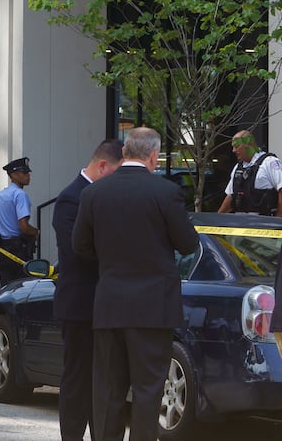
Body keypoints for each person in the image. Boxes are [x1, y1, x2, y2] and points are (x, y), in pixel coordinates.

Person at [72, 127, 199, 441]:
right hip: (153, 308)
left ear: (125, 151)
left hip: (110, 303)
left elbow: (80, 246)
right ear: (154, 155)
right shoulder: (165, 192)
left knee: (107, 390)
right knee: (147, 389)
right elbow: (188, 244)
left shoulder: (93, 193)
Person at [52, 139, 123, 441]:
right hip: (81, 304)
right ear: (102, 166)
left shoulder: (108, 197)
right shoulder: (71, 199)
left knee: (104, 382)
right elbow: (77, 251)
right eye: (117, 173)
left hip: (106, 304)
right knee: (79, 380)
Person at [0, 157, 39, 286]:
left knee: (5, 288)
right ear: (14, 175)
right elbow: (24, 227)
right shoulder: (20, 195)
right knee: (21, 289)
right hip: (19, 249)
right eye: (24, 172)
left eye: (28, 172)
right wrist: (36, 232)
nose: (28, 175)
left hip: (3, 249)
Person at [217, 129, 282, 216]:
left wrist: (278, 221)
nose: (233, 150)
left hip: (265, 224)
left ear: (249, 144)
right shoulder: (238, 168)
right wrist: (218, 217)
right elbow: (231, 195)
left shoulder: (269, 163)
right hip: (241, 224)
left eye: (236, 146)